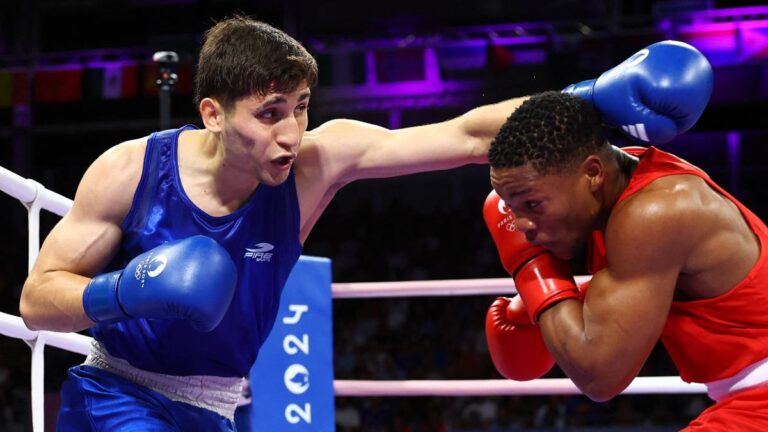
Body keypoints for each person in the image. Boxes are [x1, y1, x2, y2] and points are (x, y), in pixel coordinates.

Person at [18, 15, 526, 431]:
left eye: (301, 108)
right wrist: (124, 293)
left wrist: (583, 105)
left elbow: (465, 137)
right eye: (270, 114)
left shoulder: (316, 164)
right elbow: (35, 301)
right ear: (214, 114)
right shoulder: (130, 171)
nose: (291, 134)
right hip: (117, 394)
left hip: (215, 409)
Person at [484, 41, 768, 429]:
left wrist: (531, 267)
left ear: (592, 173)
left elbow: (599, 376)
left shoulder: (655, 211)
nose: (519, 225)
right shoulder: (620, 189)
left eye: (532, 204)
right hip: (744, 399)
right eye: (511, 206)